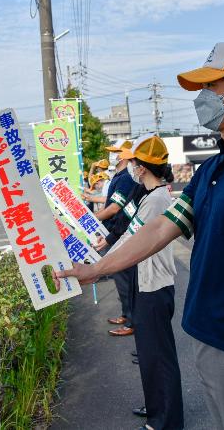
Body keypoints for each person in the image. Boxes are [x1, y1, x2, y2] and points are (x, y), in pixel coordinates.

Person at [56, 40, 224, 429]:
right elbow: (161, 227)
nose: (202, 98)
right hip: (207, 336)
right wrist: (98, 268)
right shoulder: (213, 168)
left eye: (211, 87)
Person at [111, 134, 183, 430]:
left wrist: (97, 263)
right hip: (148, 283)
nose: (130, 167)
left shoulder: (155, 200)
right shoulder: (151, 195)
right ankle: (156, 408)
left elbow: (133, 239)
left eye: (133, 162)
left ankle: (166, 421)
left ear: (142, 167)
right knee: (151, 354)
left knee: (158, 356)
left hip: (154, 285)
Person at [93, 139, 140, 336]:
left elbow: (115, 208)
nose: (113, 155)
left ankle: (131, 321)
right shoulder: (119, 177)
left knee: (124, 279)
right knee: (121, 279)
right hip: (115, 233)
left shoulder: (125, 179)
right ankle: (126, 314)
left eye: (116, 151)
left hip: (120, 234)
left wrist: (90, 219)